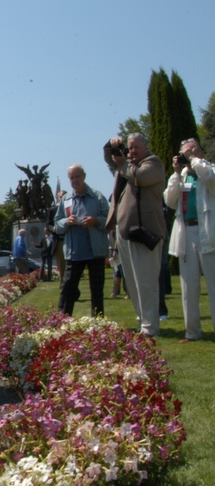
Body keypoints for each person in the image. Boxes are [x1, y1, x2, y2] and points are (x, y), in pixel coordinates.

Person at [104, 133, 166, 336]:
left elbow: (140, 177)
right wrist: (112, 145)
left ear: (145, 148)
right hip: (125, 232)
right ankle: (142, 321)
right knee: (132, 281)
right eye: (129, 148)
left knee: (146, 281)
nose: (131, 152)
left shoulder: (153, 163)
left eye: (135, 148)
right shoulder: (125, 166)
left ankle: (150, 326)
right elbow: (109, 159)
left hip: (146, 232)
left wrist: (123, 164)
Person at [164, 138, 215, 343]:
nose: (189, 155)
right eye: (185, 153)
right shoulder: (182, 176)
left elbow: (211, 179)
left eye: (192, 150)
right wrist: (176, 173)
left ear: (200, 151)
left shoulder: (209, 169)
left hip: (208, 234)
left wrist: (194, 160)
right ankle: (192, 332)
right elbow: (169, 200)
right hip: (187, 234)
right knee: (188, 287)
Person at [54, 163, 109, 316]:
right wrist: (67, 221)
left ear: (84, 177)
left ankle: (98, 322)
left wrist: (96, 221)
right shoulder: (65, 200)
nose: (75, 180)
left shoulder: (97, 197)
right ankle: (62, 320)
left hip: (95, 251)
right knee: (68, 289)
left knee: (97, 290)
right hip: (74, 251)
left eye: (77, 176)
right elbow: (57, 224)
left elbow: (110, 221)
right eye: (71, 178)